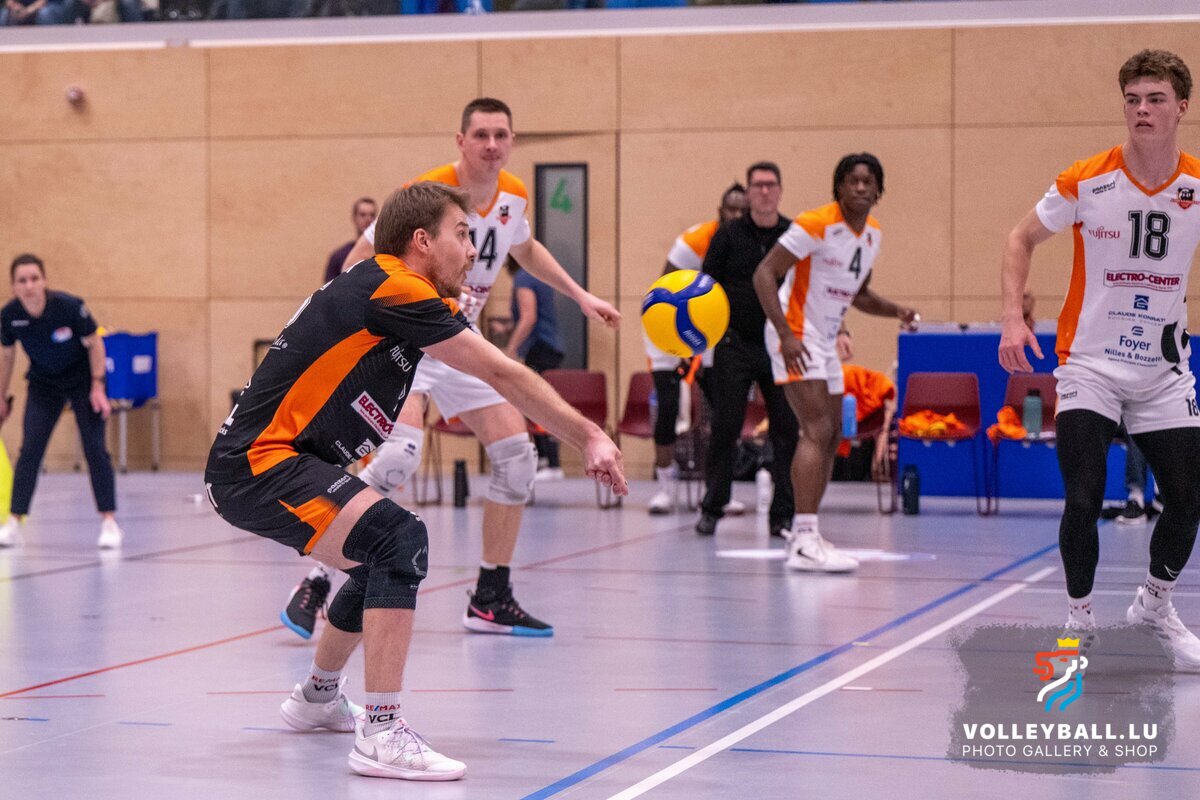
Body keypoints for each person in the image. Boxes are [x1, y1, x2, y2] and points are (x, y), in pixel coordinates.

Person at [206, 182, 626, 781]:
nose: (474, 251)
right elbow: (504, 373)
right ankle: (381, 732)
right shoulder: (395, 286)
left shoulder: (400, 299)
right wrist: (588, 435)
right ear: (422, 241)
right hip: (256, 465)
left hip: (272, 462)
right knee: (398, 540)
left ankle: (318, 698)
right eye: (463, 235)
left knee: (376, 558)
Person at [323, 97, 620, 638]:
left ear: (512, 141)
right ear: (460, 141)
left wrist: (580, 295)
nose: (491, 144)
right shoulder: (427, 194)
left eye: (500, 135)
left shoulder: (514, 195)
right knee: (397, 459)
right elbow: (355, 261)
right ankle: (319, 580)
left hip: (460, 339)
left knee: (518, 459)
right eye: (480, 134)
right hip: (410, 338)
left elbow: (526, 250)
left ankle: (490, 596)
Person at [998, 49, 1200, 671]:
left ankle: (1154, 605)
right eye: (1133, 99)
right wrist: (1012, 316)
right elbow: (1020, 238)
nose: (1142, 110)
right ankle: (1079, 621)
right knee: (1083, 499)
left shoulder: (1196, 184)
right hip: (1090, 364)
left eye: (1156, 99)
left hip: (1163, 371)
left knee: (1188, 498)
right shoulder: (1086, 180)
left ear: (1181, 107)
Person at [754, 154, 919, 573]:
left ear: (879, 190)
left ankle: (806, 534)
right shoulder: (815, 224)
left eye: (869, 181)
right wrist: (786, 335)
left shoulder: (872, 234)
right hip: (795, 332)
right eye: (852, 180)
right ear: (839, 187)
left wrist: (897, 311)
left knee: (833, 435)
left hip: (825, 339)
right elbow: (764, 274)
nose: (861, 187)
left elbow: (859, 295)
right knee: (817, 429)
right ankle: (804, 537)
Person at [694, 162, 799, 539]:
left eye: (771, 185)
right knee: (725, 427)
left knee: (786, 429)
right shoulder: (727, 235)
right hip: (734, 343)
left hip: (780, 345)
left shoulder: (793, 235)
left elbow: (811, 288)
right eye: (758, 185)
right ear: (749, 192)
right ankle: (712, 507)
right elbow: (706, 286)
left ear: (780, 190)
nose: (765, 192)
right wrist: (703, 340)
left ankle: (782, 515)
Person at [0, 254, 123, 550]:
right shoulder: (10, 315)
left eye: (34, 278)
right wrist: (1, 396)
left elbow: (95, 343)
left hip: (83, 380)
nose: (29, 285)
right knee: (30, 449)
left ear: (44, 281)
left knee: (95, 448)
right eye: (22, 280)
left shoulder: (68, 307)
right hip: (44, 384)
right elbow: (6, 355)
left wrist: (97, 385)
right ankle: (14, 521)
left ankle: (109, 522)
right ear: (13, 286)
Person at [645, 183, 747, 515]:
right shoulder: (694, 241)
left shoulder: (750, 245)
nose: (737, 215)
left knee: (724, 412)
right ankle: (665, 489)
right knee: (669, 405)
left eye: (743, 210)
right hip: (670, 325)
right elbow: (664, 289)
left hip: (713, 332)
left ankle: (719, 492)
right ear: (720, 211)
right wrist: (686, 349)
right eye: (731, 208)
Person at [504, 259, 564, 479]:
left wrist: (511, 349)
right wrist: (507, 327)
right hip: (550, 347)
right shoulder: (539, 275)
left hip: (541, 348)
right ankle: (546, 460)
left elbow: (529, 318)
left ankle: (551, 462)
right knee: (539, 402)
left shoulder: (524, 277)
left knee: (537, 403)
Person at [325, 197, 377, 284]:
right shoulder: (339, 256)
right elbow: (329, 290)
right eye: (362, 215)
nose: (368, 219)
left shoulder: (383, 254)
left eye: (372, 215)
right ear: (354, 218)